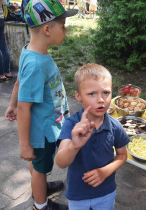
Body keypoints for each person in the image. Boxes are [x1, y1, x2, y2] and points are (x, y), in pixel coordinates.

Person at [4, 0, 77, 209]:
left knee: (38, 165)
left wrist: (11, 103)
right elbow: (24, 108)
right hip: (42, 132)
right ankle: (41, 204)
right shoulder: (37, 63)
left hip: (47, 124)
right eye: (63, 26)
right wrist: (24, 144)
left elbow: (19, 81)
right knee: (39, 168)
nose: (66, 30)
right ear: (47, 29)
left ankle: (41, 187)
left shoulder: (31, 51)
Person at [55, 63, 130, 210]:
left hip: (106, 193)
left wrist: (105, 172)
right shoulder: (71, 125)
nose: (101, 99)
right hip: (78, 195)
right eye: (92, 94)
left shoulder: (115, 126)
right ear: (78, 96)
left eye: (106, 93)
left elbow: (122, 155)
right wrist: (74, 146)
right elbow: (61, 162)